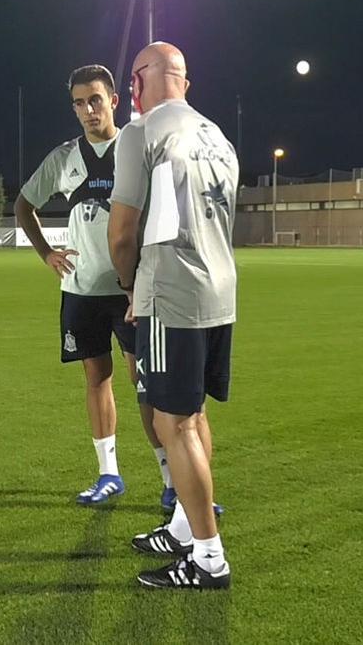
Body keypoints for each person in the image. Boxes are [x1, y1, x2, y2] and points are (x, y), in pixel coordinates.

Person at [108, 41, 239, 590]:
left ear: (140, 81)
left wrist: (129, 282)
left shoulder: (143, 132)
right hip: (220, 288)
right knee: (194, 415)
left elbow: (122, 232)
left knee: (171, 421)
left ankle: (208, 557)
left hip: (171, 292)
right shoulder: (218, 136)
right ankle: (187, 526)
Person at [14, 64, 162, 506]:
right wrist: (47, 253)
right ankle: (109, 474)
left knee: (147, 381)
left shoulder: (136, 148)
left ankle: (172, 479)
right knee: (97, 378)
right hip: (81, 292)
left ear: (114, 101)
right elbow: (24, 206)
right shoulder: (63, 158)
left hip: (131, 290)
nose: (87, 110)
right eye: (78, 102)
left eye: (95, 99)